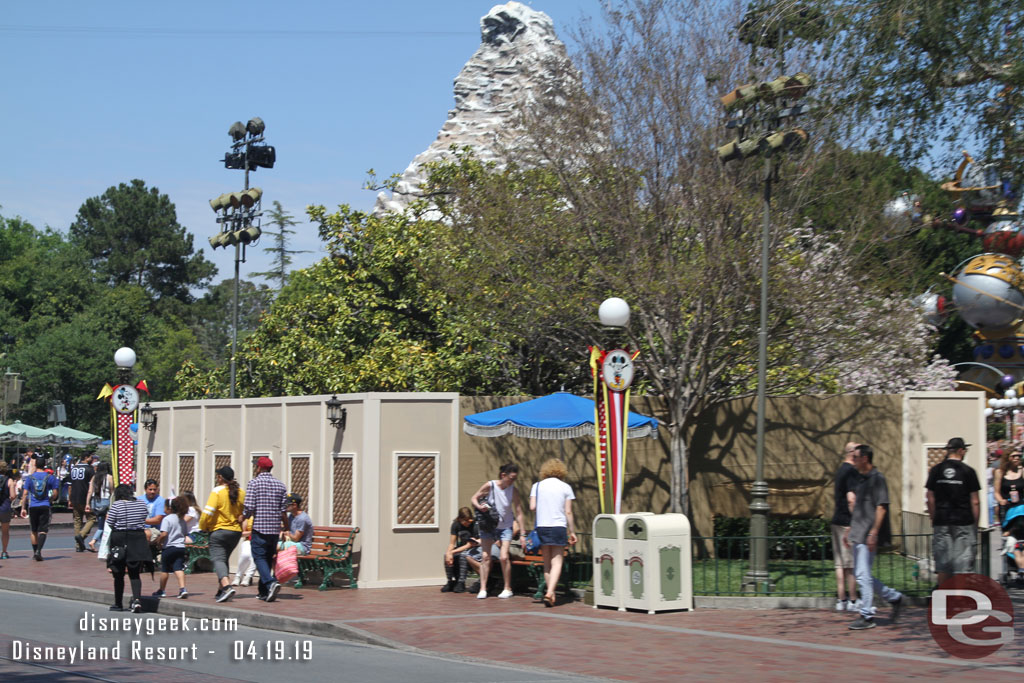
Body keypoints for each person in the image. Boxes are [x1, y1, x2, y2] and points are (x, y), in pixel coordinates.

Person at [845, 444, 903, 630]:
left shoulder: (878, 479)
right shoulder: (861, 480)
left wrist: (874, 533)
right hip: (858, 532)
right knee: (863, 575)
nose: (852, 460)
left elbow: (881, 507)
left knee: (862, 575)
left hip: (868, 535)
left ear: (865, 458)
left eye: (855, 457)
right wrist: (850, 529)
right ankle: (894, 597)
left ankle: (867, 615)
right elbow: (859, 509)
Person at [926, 437, 981, 587]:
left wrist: (933, 517)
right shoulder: (968, 472)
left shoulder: (936, 470)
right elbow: (975, 501)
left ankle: (943, 602)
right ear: (961, 451)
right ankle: (958, 602)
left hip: (942, 520)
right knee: (962, 566)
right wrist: (974, 525)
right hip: (964, 522)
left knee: (943, 565)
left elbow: (930, 497)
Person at [470, 462, 527, 599]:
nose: (513, 481)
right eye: (511, 478)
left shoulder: (513, 490)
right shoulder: (490, 485)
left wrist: (523, 533)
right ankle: (483, 588)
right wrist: (479, 506)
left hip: (505, 526)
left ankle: (507, 588)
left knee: (503, 556)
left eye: (515, 479)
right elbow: (474, 498)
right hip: (488, 525)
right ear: (503, 475)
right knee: (485, 556)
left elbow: (519, 512)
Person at [529, 458, 578, 607]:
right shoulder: (565, 487)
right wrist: (573, 531)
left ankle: (551, 592)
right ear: (561, 471)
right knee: (557, 562)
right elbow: (568, 511)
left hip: (542, 526)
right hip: (558, 526)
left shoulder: (536, 486)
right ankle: (550, 592)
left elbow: (532, 507)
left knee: (547, 563)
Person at [242, 457, 288, 602]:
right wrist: (286, 527)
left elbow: (249, 507)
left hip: (260, 527)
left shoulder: (254, 483)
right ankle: (263, 591)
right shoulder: (281, 485)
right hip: (274, 529)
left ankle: (270, 582)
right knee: (267, 559)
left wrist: (242, 518)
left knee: (259, 557)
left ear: (259, 468)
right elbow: (283, 511)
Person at [199, 466, 245, 603]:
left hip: (219, 531)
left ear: (220, 478)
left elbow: (208, 512)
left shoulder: (217, 491)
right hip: (235, 532)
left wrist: (203, 527)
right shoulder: (241, 492)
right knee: (223, 560)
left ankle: (226, 586)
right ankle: (220, 591)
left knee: (217, 559)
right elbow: (243, 512)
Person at [106, 483, 153, 613]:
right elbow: (144, 518)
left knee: (118, 573)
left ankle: (118, 603)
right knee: (135, 573)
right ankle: (137, 600)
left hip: (120, 538)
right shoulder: (142, 503)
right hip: (138, 538)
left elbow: (110, 523)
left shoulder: (118, 505)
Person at [830, 442, 861, 612]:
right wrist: (854, 521)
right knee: (850, 563)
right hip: (846, 522)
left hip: (836, 520)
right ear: (852, 453)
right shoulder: (851, 472)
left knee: (840, 563)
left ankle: (841, 599)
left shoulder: (841, 470)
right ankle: (853, 600)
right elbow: (851, 499)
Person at [20, 455, 59, 561]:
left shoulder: (30, 478)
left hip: (33, 506)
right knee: (43, 530)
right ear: (45, 465)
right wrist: (50, 500)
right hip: (45, 505)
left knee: (33, 531)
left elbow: (24, 494)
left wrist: (23, 507)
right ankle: (39, 551)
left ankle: (34, 552)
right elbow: (55, 493)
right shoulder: (50, 477)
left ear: (36, 464)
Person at [153, 495, 191, 599]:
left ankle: (162, 590)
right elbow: (184, 533)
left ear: (169, 508)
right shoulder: (181, 520)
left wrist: (159, 541)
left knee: (165, 569)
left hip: (169, 547)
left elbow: (164, 534)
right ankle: (182, 588)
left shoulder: (167, 519)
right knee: (178, 568)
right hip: (180, 547)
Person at [441, 507, 478, 593]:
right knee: (446, 555)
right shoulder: (456, 525)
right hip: (461, 547)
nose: (468, 523)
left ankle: (461, 582)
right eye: (465, 521)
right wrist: (448, 553)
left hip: (474, 548)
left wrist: (452, 552)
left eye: (470, 520)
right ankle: (450, 581)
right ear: (459, 519)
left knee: (462, 555)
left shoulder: (475, 525)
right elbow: (451, 543)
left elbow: (469, 545)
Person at [69, 452, 96, 552]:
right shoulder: (89, 469)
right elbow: (91, 486)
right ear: (86, 457)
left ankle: (78, 545)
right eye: (90, 457)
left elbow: (70, 485)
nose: (92, 459)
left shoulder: (74, 468)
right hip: (84, 497)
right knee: (92, 518)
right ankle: (81, 535)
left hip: (74, 496)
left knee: (77, 520)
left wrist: (70, 498)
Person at [85, 462, 114, 552]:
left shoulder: (94, 477)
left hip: (95, 501)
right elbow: (112, 491)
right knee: (103, 525)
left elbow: (90, 491)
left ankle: (101, 543)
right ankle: (93, 541)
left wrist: (87, 503)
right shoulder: (109, 477)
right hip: (105, 501)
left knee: (101, 522)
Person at [993, 449, 1023, 524]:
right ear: (1007, 458)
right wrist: (1001, 501)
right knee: (1007, 532)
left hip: (1021, 507)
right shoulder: (1000, 472)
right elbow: (996, 492)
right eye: (1013, 456)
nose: (1017, 458)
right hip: (1007, 506)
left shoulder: (1022, 471)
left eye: (1018, 456)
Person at [137, 479, 166, 544]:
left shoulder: (160, 501)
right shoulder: (138, 500)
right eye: (150, 489)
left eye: (154, 489)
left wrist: (139, 520)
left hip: (155, 529)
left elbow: (158, 520)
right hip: (139, 527)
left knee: (145, 534)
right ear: (145, 489)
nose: (152, 492)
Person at [0, 461, 16, 559]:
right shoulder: (9, 480)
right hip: (5, 508)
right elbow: (13, 495)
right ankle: (4, 552)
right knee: (5, 531)